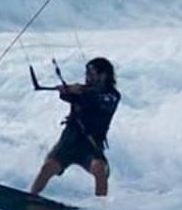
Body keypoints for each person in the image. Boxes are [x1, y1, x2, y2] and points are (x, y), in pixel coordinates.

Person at [28, 57, 120, 198]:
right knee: (48, 167)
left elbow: (98, 100)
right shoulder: (81, 91)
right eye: (87, 74)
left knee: (99, 169)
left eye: (92, 74)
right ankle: (31, 197)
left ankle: (101, 207)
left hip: (91, 144)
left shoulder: (112, 96)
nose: (88, 78)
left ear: (104, 75)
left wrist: (81, 91)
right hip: (69, 141)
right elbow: (66, 96)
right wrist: (65, 90)